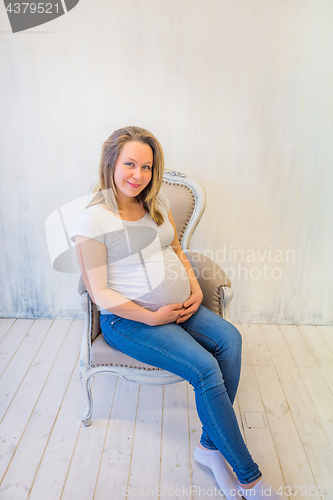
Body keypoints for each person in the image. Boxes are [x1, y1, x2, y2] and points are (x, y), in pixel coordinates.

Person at [72, 126, 284, 500]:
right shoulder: (94, 219)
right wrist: (152, 316)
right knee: (205, 368)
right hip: (130, 320)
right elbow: (99, 292)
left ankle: (208, 446)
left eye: (148, 167)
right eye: (130, 164)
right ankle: (249, 478)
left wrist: (195, 287)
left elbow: (179, 251)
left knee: (230, 340)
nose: (138, 175)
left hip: (180, 308)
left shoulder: (156, 204)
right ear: (111, 164)